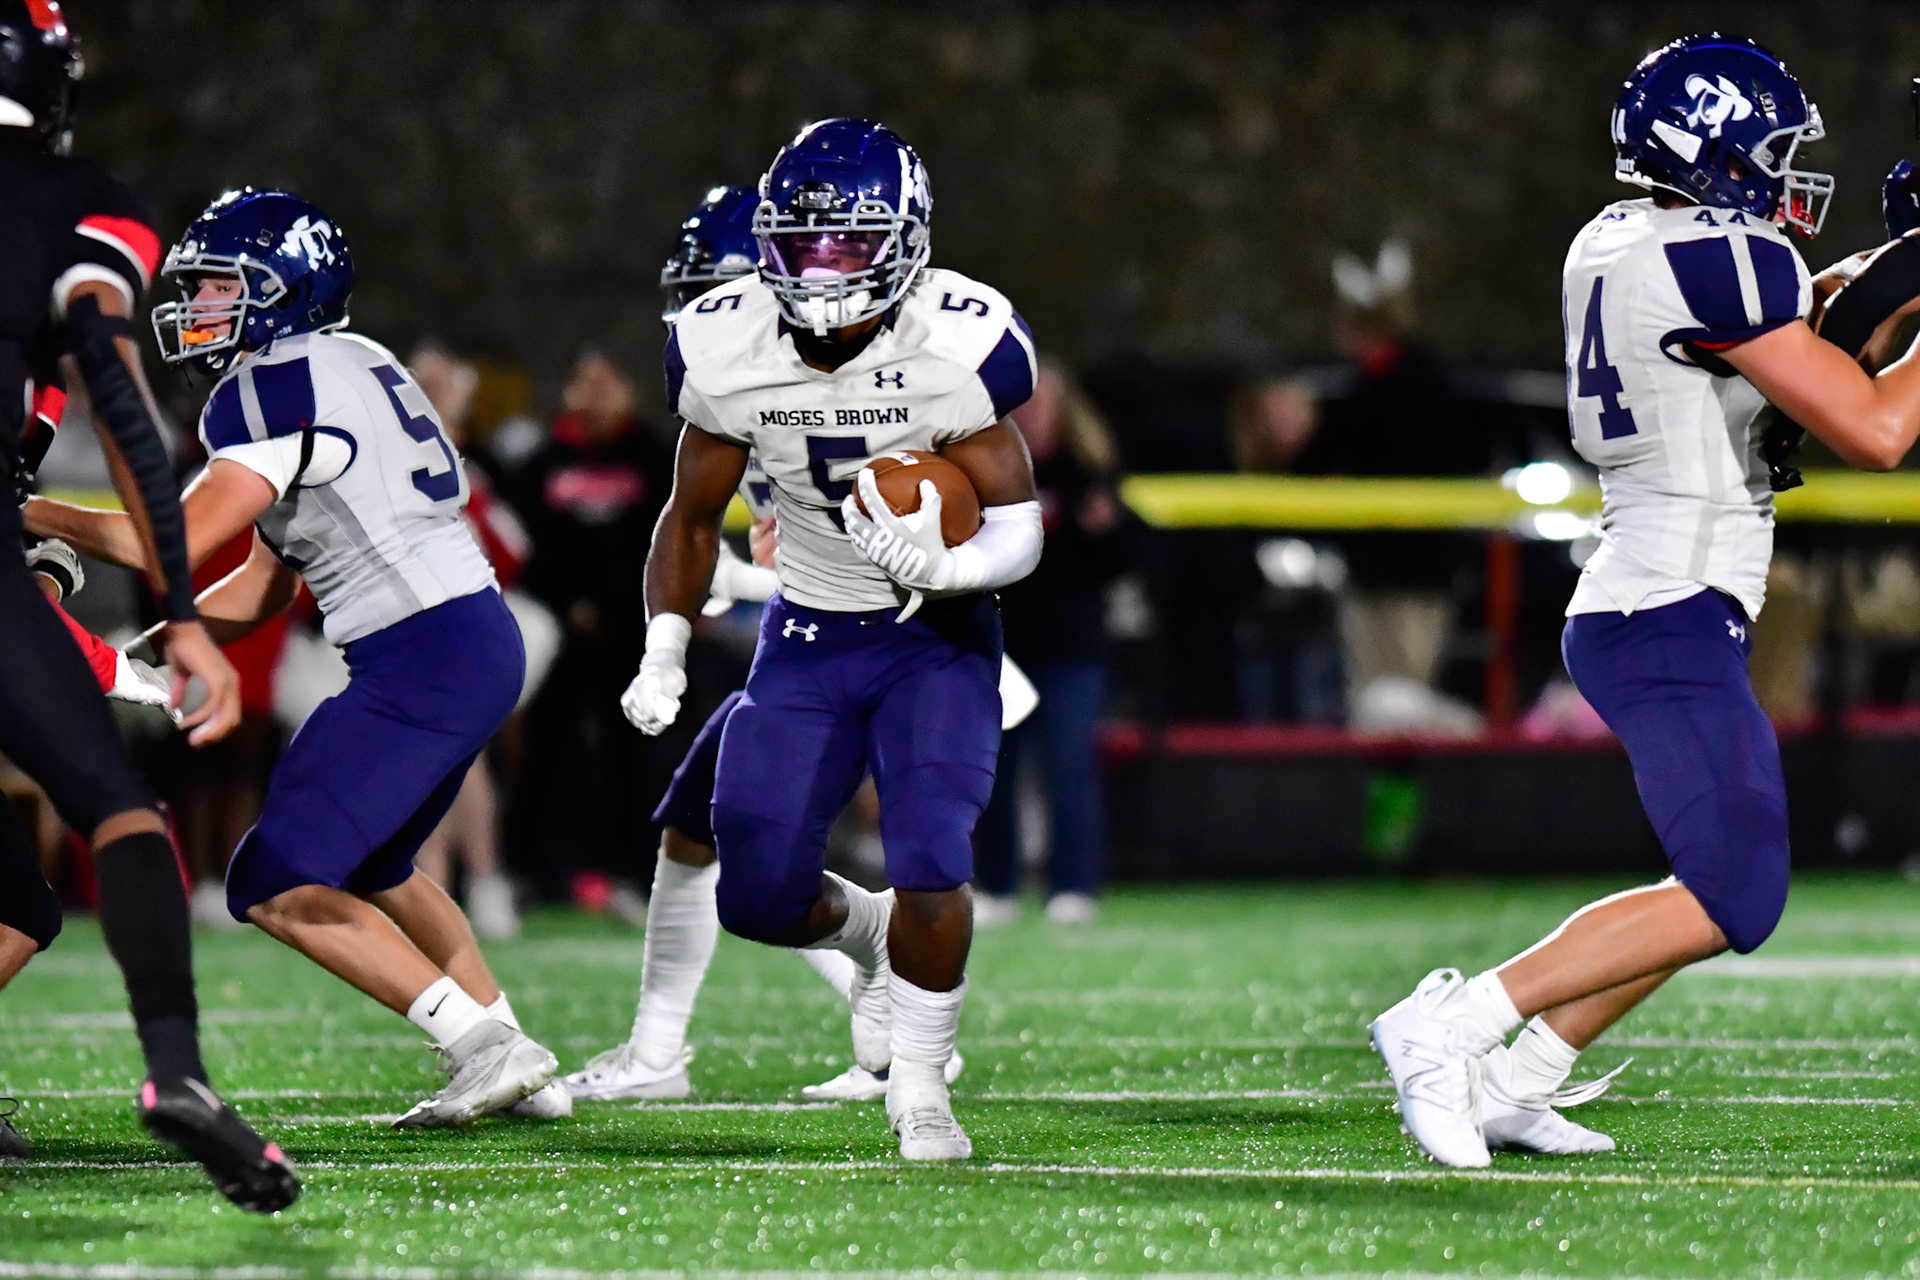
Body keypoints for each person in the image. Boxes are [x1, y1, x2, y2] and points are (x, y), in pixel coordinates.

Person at [1370, 33, 1920, 1169]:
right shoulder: (1717, 256)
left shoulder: (1625, 238)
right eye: (1771, 150)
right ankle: (1453, 1025)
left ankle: (1519, 1079)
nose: (1785, 173)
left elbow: (1809, 327)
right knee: (1736, 889)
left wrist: (1900, 263)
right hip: (1662, 607)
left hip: (1653, 600)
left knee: (1713, 875)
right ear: (1712, 150)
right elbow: (1875, 427)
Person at [27, 188, 568, 1129]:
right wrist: (148, 654)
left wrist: (30, 511)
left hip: (421, 653)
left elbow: (169, 542)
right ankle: (519, 1059)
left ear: (283, 289)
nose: (195, 310)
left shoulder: (269, 384)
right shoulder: (359, 361)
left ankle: (483, 1046)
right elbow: (266, 583)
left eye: (217, 289)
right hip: (469, 637)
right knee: (377, 864)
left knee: (271, 880)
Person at [625, 119, 1042, 1159]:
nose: (821, 267)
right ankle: (874, 936)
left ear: (905, 241)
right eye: (801, 240)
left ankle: (922, 1086)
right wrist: (665, 645)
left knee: (934, 858)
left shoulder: (956, 340)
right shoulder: (725, 344)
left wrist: (952, 569)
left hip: (933, 637)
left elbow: (1019, 520)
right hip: (807, 636)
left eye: (848, 241)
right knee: (758, 896)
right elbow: (689, 515)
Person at [564, 184, 964, 1105]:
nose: (694, 315)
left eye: (708, 291)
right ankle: (665, 1050)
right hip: (818, 647)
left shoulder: (837, 391)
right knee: (704, 831)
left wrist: (740, 583)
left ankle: (908, 1027)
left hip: (880, 654)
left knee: (758, 850)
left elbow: (880, 553)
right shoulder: (755, 395)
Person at [0, 1, 296, 1210]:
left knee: (15, 897)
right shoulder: (77, 203)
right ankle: (176, 1068)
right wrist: (176, 610)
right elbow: (119, 399)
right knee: (120, 810)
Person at [512, 346, 677, 907]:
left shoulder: (654, 457)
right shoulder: (544, 460)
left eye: (607, 384)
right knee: (547, 752)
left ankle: (630, 871)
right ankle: (535, 871)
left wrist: (624, 605)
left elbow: (664, 540)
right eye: (586, 383)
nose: (597, 396)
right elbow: (528, 544)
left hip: (632, 630)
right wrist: (567, 603)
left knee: (634, 752)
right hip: (559, 632)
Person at [973, 360, 1134, 925]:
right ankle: (996, 885)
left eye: (1043, 404)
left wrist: (1107, 531)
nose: (1033, 414)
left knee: (1070, 769)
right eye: (1024, 403)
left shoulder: (1091, 473)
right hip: (999, 645)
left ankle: (1073, 886)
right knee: (993, 771)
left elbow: (1123, 565)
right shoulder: (982, 470)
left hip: (1071, 649)